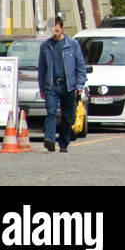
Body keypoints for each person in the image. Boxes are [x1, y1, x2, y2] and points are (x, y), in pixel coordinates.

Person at [36, 16, 85, 153]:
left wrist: (79, 85)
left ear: (62, 29)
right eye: (52, 30)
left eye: (57, 30)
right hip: (52, 85)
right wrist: (42, 87)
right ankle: (50, 139)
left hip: (68, 85)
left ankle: (63, 143)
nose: (55, 33)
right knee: (51, 112)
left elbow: (80, 65)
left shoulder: (72, 44)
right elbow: (42, 68)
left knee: (67, 115)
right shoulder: (45, 46)